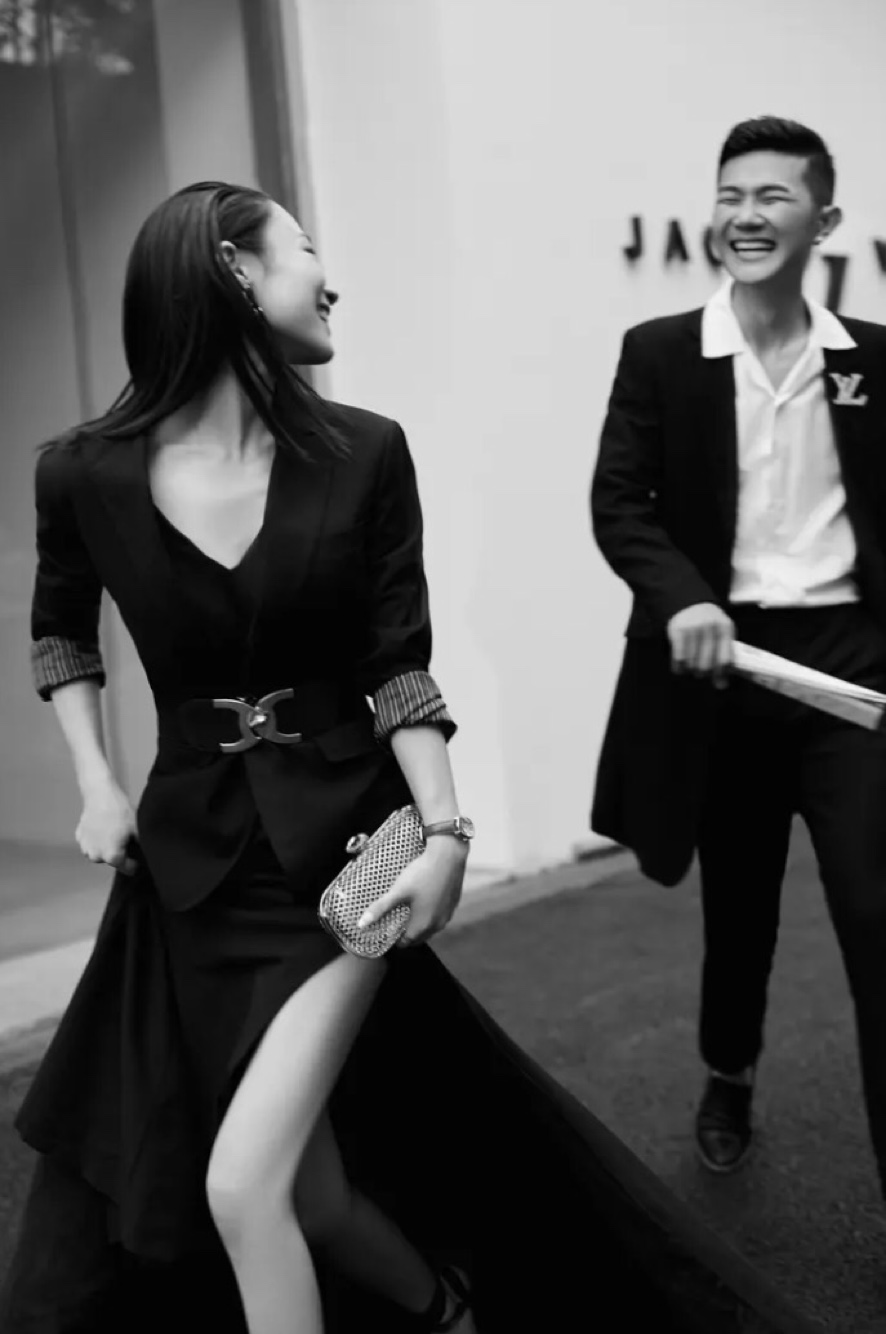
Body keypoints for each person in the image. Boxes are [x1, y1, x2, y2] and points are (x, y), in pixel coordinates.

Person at [1, 180, 825, 1334]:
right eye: (303, 250)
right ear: (235, 271)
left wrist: (443, 831)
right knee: (309, 1188)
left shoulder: (363, 451)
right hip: (190, 872)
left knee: (242, 1185)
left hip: (356, 850)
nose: (328, 278)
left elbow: (397, 662)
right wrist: (95, 783)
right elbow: (61, 632)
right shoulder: (84, 472)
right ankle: (444, 1306)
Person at [591, 116, 886, 1188]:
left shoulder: (871, 359)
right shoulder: (662, 353)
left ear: (825, 219)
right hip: (723, 666)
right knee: (741, 906)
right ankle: (729, 1069)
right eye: (730, 195)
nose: (746, 215)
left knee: (876, 910)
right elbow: (620, 503)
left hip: (850, 665)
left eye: (772, 196)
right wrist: (682, 600)